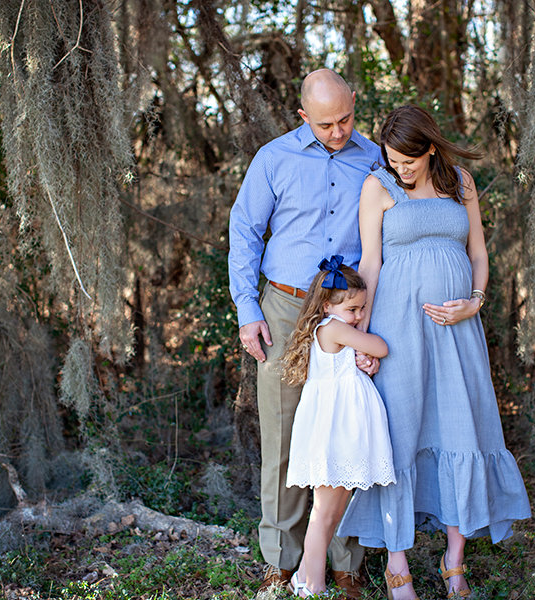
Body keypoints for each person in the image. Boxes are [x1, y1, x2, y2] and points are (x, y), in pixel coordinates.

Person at [337, 105, 531, 600]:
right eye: (393, 159)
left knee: (460, 426)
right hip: (397, 330)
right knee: (401, 432)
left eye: (409, 159)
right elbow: (371, 264)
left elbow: (479, 253)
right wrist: (365, 338)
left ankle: (454, 560)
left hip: (456, 331)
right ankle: (397, 566)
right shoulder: (377, 187)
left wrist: (475, 302)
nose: (401, 168)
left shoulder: (460, 182)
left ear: (430, 147)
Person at [227, 69, 382, 597]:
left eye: (345, 119)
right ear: (301, 116)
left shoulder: (376, 157)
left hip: (349, 314)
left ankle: (347, 557)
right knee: (285, 435)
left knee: (347, 435)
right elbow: (245, 230)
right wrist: (248, 309)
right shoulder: (273, 159)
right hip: (285, 308)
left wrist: (371, 325)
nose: (337, 132)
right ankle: (282, 558)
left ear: (355, 104)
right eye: (324, 124)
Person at [281, 257, 396, 597]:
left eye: (362, 309)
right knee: (324, 513)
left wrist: (365, 362)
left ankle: (304, 576)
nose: (359, 316)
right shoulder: (332, 327)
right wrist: (367, 349)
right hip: (334, 432)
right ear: (328, 305)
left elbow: (364, 358)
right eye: (353, 309)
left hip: (345, 431)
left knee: (332, 513)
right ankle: (311, 584)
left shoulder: (339, 329)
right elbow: (381, 346)